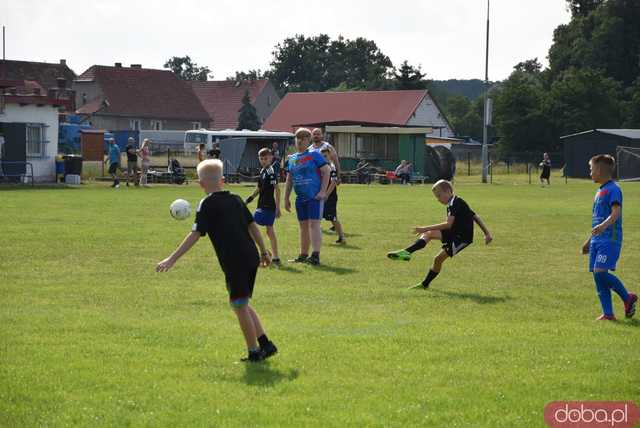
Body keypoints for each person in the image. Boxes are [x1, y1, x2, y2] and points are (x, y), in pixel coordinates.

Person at [156, 159, 278, 362]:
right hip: (249, 256)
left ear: (200, 183)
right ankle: (266, 344)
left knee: (239, 304)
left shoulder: (206, 204)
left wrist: (172, 258)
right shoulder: (237, 199)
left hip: (234, 260)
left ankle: (254, 352)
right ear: (222, 180)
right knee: (243, 302)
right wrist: (264, 252)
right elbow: (252, 226)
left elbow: (195, 235)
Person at [386, 179, 493, 289]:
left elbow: (448, 224)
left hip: (461, 238)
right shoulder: (454, 202)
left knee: (438, 259)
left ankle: (424, 284)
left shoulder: (456, 203)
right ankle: (406, 252)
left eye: (439, 196)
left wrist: (424, 228)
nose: (438, 199)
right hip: (454, 233)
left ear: (448, 191)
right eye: (436, 197)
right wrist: (487, 233)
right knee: (429, 234)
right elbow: (475, 216)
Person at [581, 155, 636, 321]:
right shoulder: (598, 191)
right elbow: (597, 220)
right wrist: (589, 241)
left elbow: (615, 214)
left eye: (591, 169)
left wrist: (603, 228)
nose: (590, 172)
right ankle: (608, 313)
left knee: (600, 273)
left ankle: (627, 298)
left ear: (599, 169)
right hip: (598, 240)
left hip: (610, 239)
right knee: (598, 277)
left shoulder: (613, 189)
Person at [284, 128, 331, 265]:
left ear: (308, 140)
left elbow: (327, 171)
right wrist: (286, 198)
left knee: (314, 225)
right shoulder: (292, 159)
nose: (299, 141)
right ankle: (303, 255)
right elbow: (289, 178)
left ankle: (315, 255)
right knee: (303, 226)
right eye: (297, 138)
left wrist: (323, 191)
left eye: (303, 138)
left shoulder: (314, 154)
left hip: (313, 197)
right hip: (300, 198)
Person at [245, 148, 282, 265]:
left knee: (249, 226)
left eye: (266, 158)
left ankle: (265, 254)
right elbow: (259, 188)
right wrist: (249, 199)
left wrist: (278, 208)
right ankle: (273, 256)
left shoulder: (271, 172)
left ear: (271, 158)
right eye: (261, 159)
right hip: (262, 205)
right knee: (269, 231)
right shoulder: (263, 171)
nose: (263, 161)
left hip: (268, 206)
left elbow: (277, 190)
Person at [321, 147, 346, 244]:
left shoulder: (331, 167)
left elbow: (333, 182)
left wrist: (326, 194)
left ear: (330, 156)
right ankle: (314, 238)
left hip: (330, 197)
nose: (323, 158)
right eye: (322, 156)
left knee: (332, 218)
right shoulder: (321, 166)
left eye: (325, 156)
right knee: (316, 217)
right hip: (322, 195)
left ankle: (342, 237)